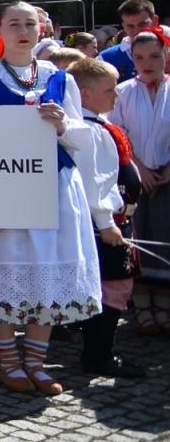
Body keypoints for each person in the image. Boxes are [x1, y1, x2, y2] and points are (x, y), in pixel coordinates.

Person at [0, 2, 102, 395]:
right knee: (4, 267)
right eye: (13, 24)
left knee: (45, 268)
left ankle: (35, 361)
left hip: (54, 184)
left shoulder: (59, 79)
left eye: (29, 24)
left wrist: (62, 124)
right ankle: (9, 362)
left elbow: (81, 136)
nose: (22, 31)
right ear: (0, 31)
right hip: (4, 187)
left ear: (40, 29)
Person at [69, 58, 146, 378]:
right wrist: (106, 222)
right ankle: (98, 355)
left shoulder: (97, 125)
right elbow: (94, 181)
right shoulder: (88, 132)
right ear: (85, 94)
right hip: (104, 223)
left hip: (111, 219)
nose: (116, 95)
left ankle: (98, 351)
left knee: (110, 285)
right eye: (109, 90)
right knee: (112, 286)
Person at [113, 29, 170, 333]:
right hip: (135, 179)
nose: (147, 64)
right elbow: (116, 134)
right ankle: (142, 307)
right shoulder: (123, 92)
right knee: (137, 239)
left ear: (166, 55)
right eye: (139, 57)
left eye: (154, 56)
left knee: (165, 239)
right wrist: (139, 168)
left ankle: (164, 306)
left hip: (166, 178)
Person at [99, 0, 158, 83]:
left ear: (154, 21)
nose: (137, 30)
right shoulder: (105, 59)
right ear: (123, 26)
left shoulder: (167, 52)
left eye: (142, 24)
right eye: (130, 26)